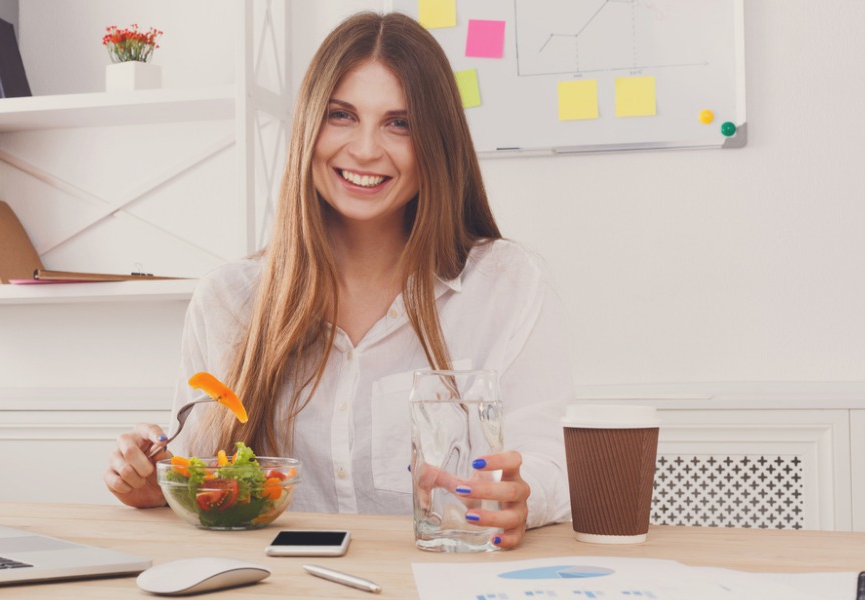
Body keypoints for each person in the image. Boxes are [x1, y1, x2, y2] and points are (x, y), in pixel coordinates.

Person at [104, 11, 573, 548]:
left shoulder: (504, 285)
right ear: (308, 127)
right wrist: (155, 481)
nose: (366, 149)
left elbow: (551, 463)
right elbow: (199, 474)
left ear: (438, 143)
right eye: (342, 116)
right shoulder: (228, 300)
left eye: (400, 123)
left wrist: (521, 494)